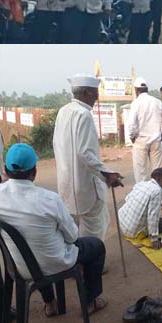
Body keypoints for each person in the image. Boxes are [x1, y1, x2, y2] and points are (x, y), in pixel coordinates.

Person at [0, 144, 109, 318]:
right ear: (34, 172)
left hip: (20, 266)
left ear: (5, 171)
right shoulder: (50, 200)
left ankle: (49, 302)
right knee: (96, 247)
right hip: (56, 263)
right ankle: (90, 300)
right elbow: (72, 236)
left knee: (33, 251)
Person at [53, 74, 123, 241]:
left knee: (74, 229)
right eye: (94, 93)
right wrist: (107, 174)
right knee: (93, 230)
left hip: (67, 183)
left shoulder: (63, 111)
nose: (97, 97)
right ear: (85, 92)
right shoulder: (84, 115)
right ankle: (89, 264)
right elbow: (85, 153)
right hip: (85, 186)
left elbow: (56, 144)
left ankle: (78, 261)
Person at [127, 78, 162, 183]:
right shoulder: (157, 102)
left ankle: (143, 196)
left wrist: (132, 136)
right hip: (155, 140)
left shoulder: (136, 103)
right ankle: (158, 197)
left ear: (136, 90)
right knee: (157, 171)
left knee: (140, 172)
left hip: (140, 140)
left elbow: (132, 123)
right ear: (146, 89)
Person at [118, 168, 162, 248]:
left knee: (160, 220)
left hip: (121, 223)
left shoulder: (141, 184)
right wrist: (154, 239)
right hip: (133, 232)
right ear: (159, 179)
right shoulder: (157, 191)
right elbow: (153, 217)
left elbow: (127, 199)